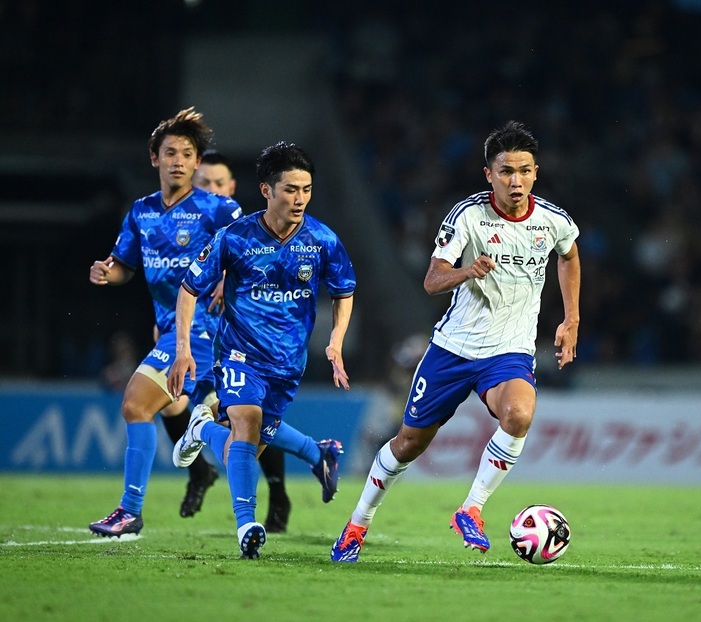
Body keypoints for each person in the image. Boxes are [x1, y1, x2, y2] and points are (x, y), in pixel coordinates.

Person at [331, 120, 581, 562]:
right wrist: (466, 270)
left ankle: (471, 509)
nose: (516, 181)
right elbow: (431, 281)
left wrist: (572, 317)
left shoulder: (553, 221)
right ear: (489, 174)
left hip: (508, 351)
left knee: (520, 413)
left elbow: (569, 254)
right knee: (408, 443)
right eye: (506, 171)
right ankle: (357, 525)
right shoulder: (468, 216)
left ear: (536, 172)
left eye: (524, 170)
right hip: (454, 348)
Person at [168, 141, 356, 559]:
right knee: (247, 424)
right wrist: (184, 350)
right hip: (239, 356)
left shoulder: (322, 239)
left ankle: (203, 430)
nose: (300, 199)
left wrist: (335, 342)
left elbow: (344, 290)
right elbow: (188, 289)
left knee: (246, 443)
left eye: (306, 189)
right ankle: (246, 525)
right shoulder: (234, 238)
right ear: (266, 190)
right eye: (290, 189)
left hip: (288, 364)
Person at [87, 108, 244, 537]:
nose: (178, 160)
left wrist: (227, 275)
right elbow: (126, 265)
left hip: (205, 328)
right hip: (170, 326)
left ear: (197, 163)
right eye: (169, 152)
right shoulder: (141, 212)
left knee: (137, 403)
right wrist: (108, 271)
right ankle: (311, 451)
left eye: (187, 154)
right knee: (192, 413)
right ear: (154, 158)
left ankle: (130, 510)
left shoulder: (218, 209)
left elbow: (250, 252)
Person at [159, 149, 294, 533]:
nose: (211, 189)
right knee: (170, 402)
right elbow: (168, 278)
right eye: (204, 183)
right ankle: (200, 470)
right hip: (190, 330)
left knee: (252, 415)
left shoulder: (243, 231)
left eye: (219, 183)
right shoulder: (176, 224)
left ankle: (276, 491)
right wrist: (166, 326)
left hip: (233, 337)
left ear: (232, 189)